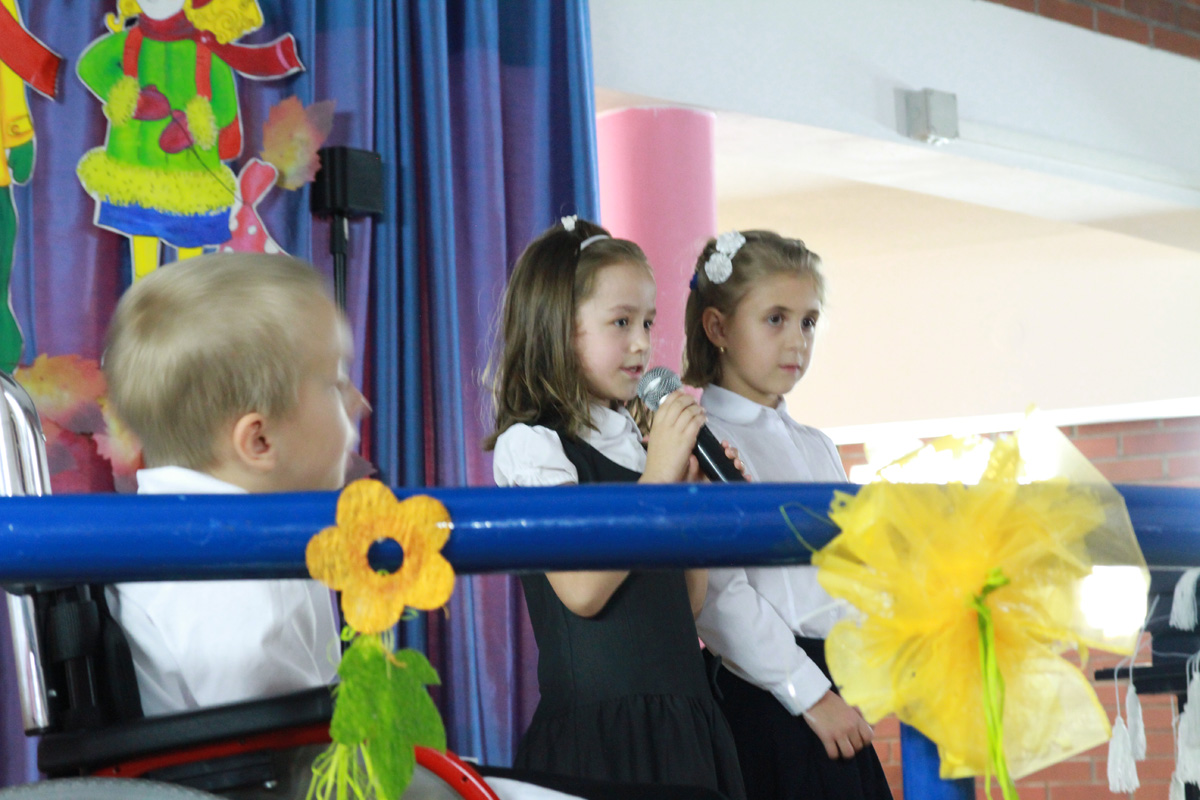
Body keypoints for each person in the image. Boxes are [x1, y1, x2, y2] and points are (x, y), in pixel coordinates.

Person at [485, 217, 746, 800]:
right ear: (559, 327)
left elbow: (686, 602)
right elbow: (581, 590)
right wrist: (657, 483)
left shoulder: (640, 446)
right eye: (621, 322)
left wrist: (691, 499)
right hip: (604, 740)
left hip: (685, 727)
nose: (641, 343)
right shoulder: (535, 446)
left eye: (648, 322)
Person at [102, 253, 365, 721]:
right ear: (259, 440)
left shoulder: (175, 531)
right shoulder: (226, 563)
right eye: (335, 383)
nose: (360, 402)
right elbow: (288, 747)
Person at [685, 231, 892, 800]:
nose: (797, 341)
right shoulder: (701, 441)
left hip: (835, 687)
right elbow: (720, 600)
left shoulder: (818, 446)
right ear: (718, 328)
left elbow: (844, 574)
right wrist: (810, 694)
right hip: (766, 692)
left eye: (808, 322)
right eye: (775, 319)